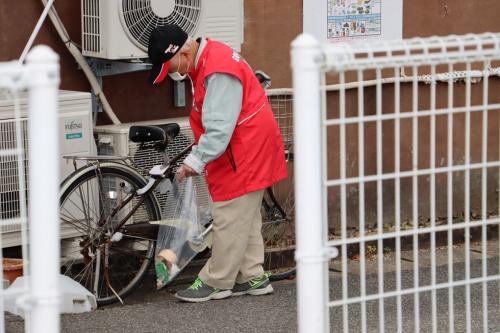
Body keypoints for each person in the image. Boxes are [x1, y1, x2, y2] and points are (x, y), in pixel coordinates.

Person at [147, 24, 287, 303]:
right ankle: (252, 276)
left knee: (228, 215)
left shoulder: (217, 70)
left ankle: (216, 281)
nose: (176, 73)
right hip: (249, 146)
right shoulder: (212, 59)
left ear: (184, 52)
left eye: (172, 66)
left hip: (243, 152)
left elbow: (220, 129)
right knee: (244, 218)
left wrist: (194, 161)